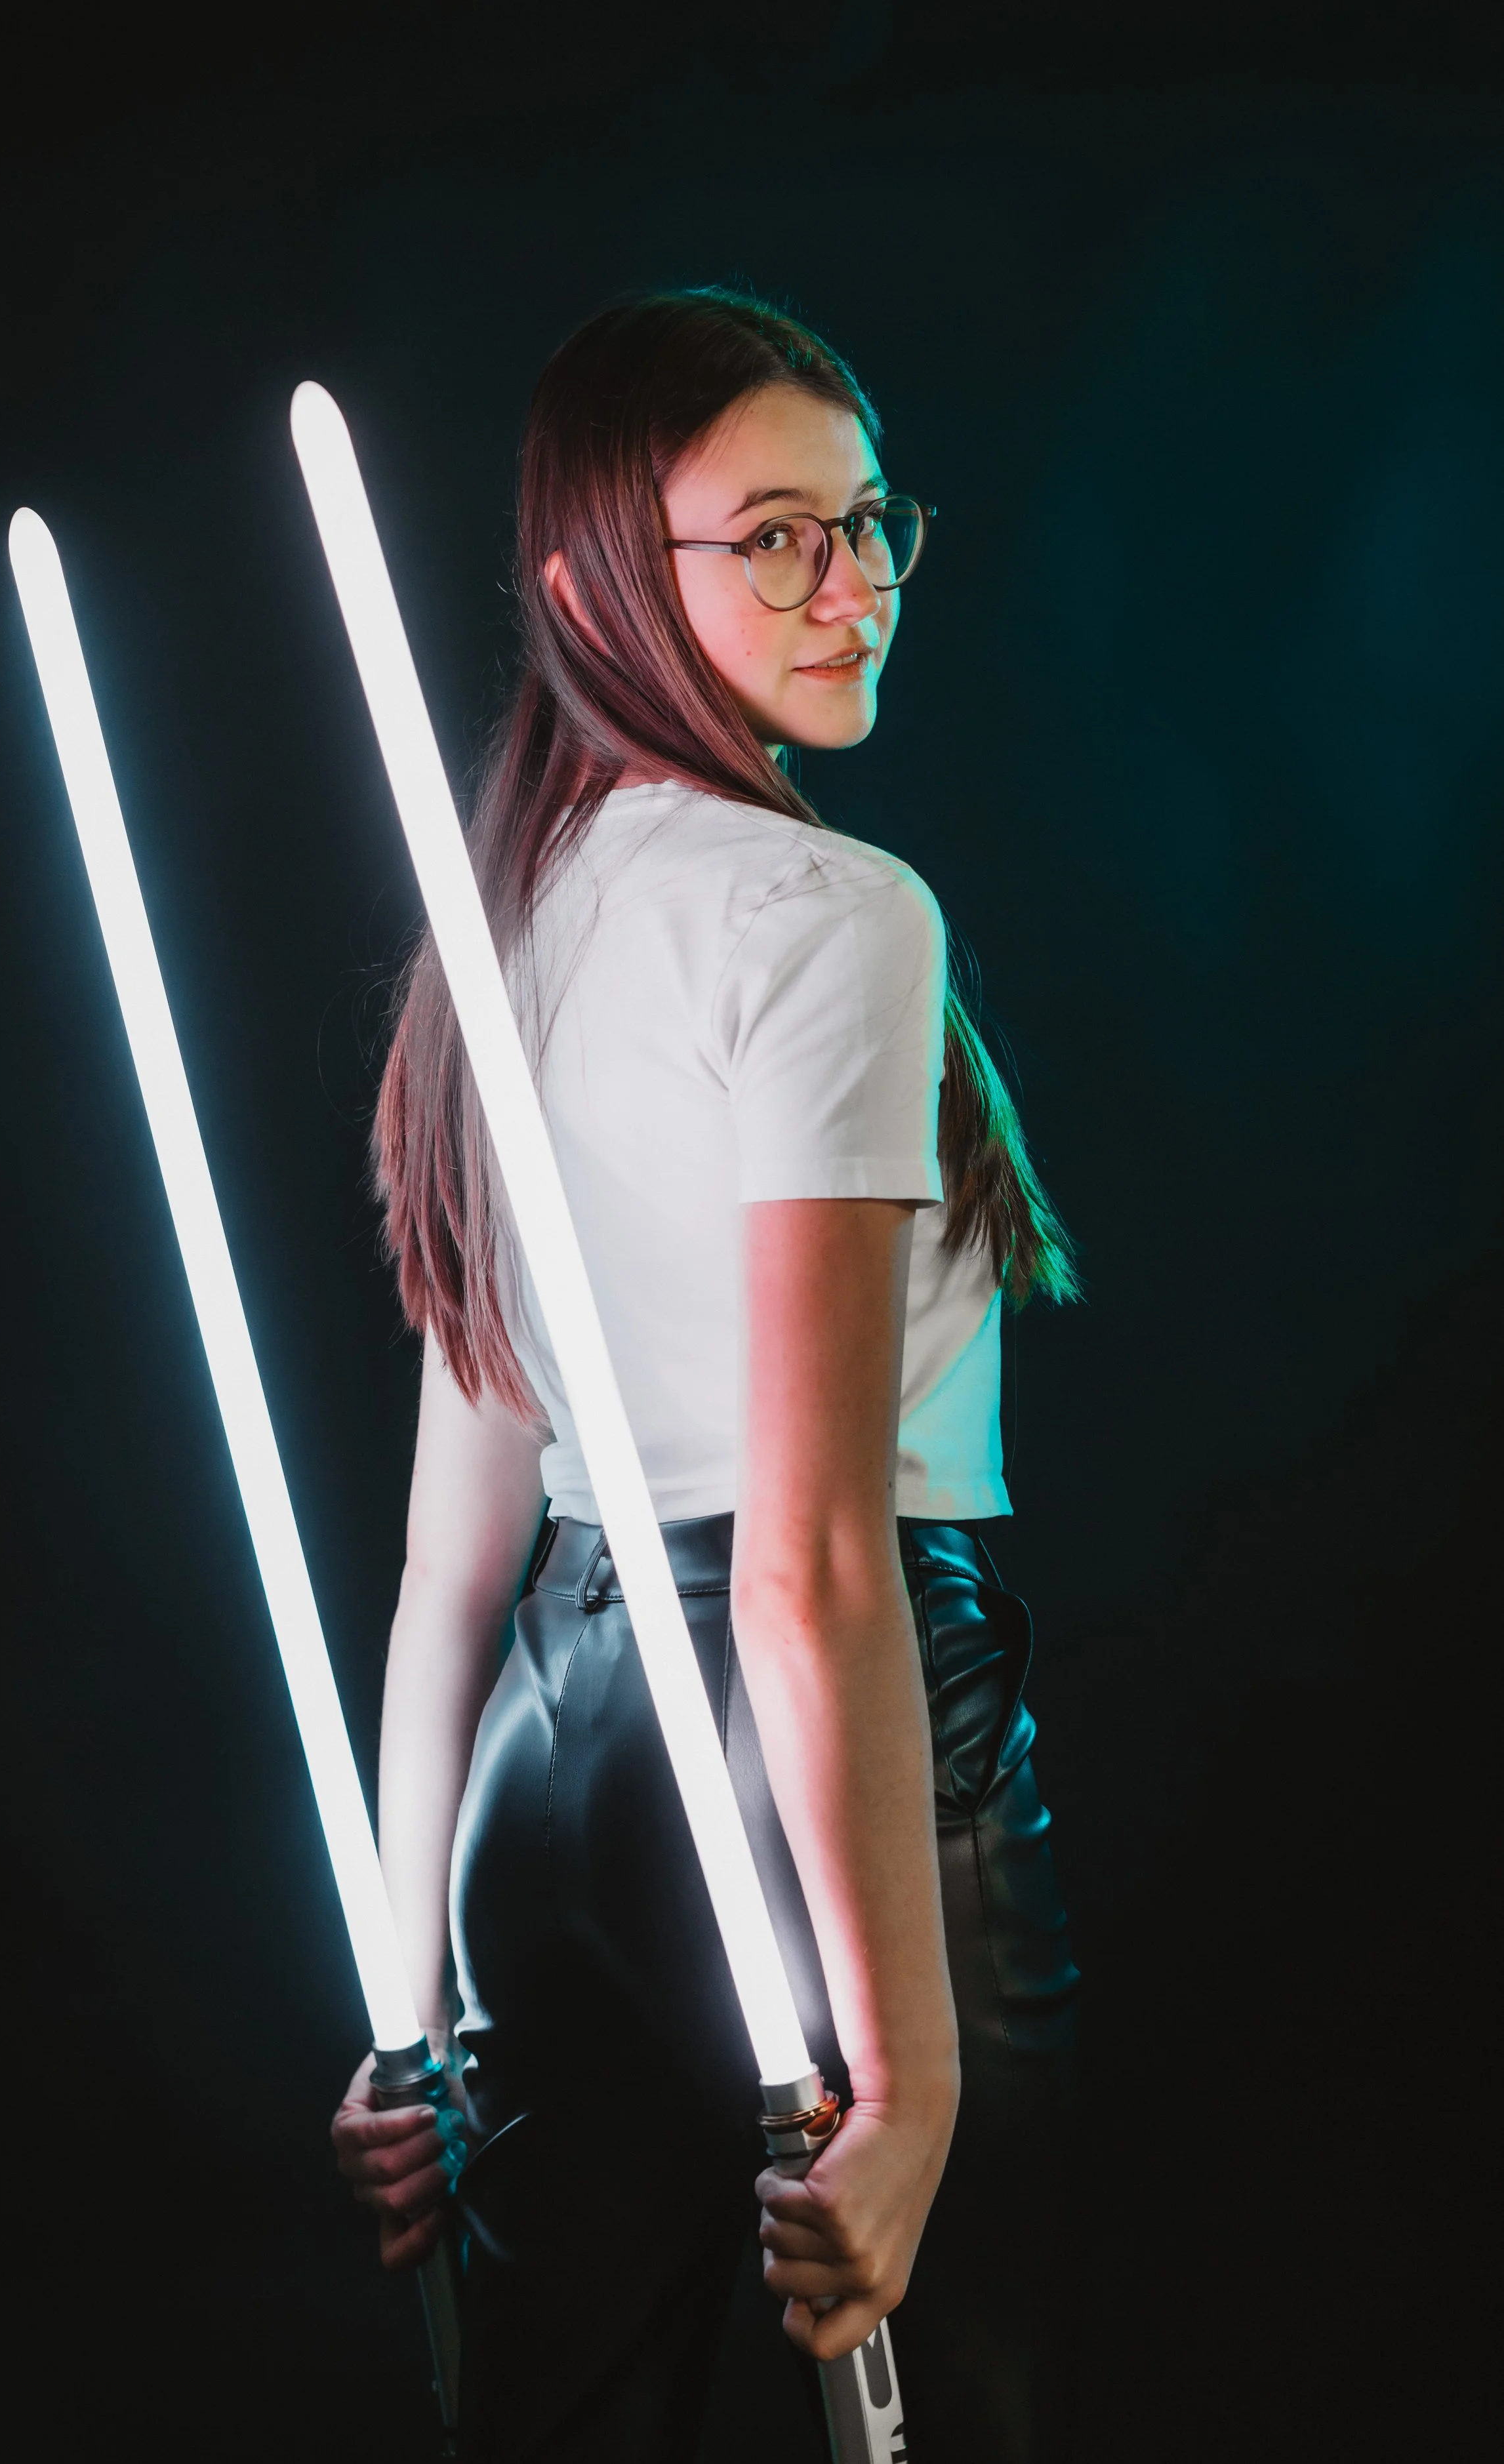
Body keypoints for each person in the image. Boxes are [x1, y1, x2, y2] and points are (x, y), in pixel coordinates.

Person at [331, 289, 1080, 2462]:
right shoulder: (832, 912)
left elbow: (452, 1557)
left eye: (867, 527)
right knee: (953, 2401)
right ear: (592, 584)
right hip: (830, 1752)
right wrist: (911, 2081)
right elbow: (815, 1549)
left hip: (548, 1785)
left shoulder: (507, 926)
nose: (851, 587)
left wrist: (408, 2020)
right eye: (774, 538)